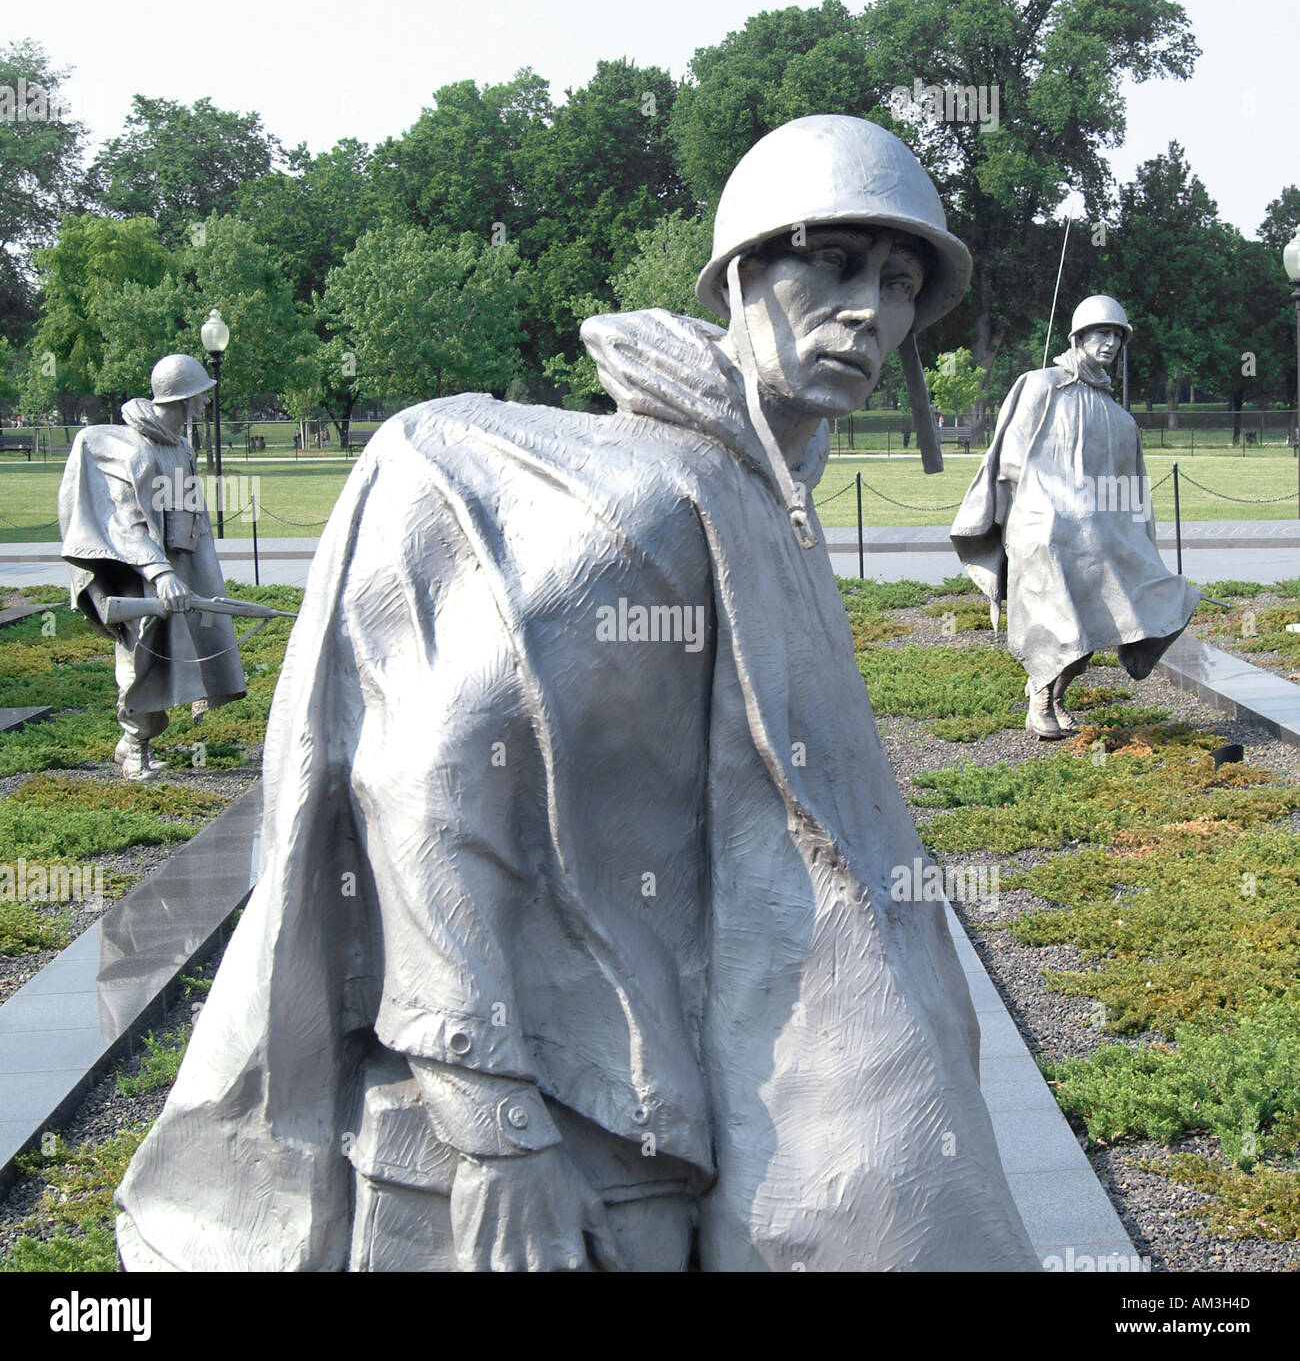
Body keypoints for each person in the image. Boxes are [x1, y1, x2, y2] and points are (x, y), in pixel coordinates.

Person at [115, 116, 1039, 1272]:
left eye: (899, 283)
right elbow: (432, 779)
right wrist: (498, 1130)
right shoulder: (648, 502)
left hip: (661, 1124)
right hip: (560, 1148)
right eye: (833, 263)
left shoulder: (758, 499)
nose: (868, 309)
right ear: (745, 275)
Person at [950, 296, 1200, 739]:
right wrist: (1054, 506)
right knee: (1063, 616)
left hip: (1098, 539)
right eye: (1101, 333)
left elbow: (1130, 494)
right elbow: (1012, 459)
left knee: (1124, 612)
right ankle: (1042, 697)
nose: (1109, 343)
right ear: (1078, 337)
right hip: (1044, 527)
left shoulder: (1120, 419)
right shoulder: (1041, 386)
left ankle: (1052, 693)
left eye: (1117, 337)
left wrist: (1136, 543)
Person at [58, 354, 245, 778]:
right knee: (140, 659)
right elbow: (125, 523)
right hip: (142, 575)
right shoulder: (137, 450)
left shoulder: (181, 448)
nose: (205, 404)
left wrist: (194, 576)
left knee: (171, 658)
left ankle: (132, 745)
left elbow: (190, 518)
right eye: (200, 396)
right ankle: (134, 747)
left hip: (177, 573)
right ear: (184, 398)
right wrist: (159, 573)